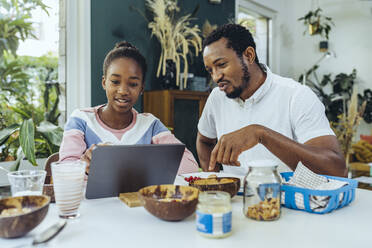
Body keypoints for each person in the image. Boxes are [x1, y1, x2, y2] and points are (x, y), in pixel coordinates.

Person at [196, 24, 346, 177]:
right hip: (233, 200)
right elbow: (204, 141)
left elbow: (336, 170)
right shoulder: (217, 98)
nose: (215, 77)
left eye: (221, 65)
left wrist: (261, 134)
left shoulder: (297, 96)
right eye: (210, 70)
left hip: (284, 199)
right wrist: (214, 182)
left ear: (249, 55)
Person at [59, 41, 199, 175]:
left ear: (141, 88)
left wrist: (135, 164)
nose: (123, 91)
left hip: (137, 199)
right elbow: (64, 170)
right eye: (115, 82)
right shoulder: (81, 120)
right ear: (104, 82)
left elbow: (190, 166)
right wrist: (84, 168)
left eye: (133, 84)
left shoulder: (150, 124)